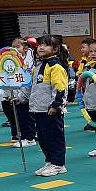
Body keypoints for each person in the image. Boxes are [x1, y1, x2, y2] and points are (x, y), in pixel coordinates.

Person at [30, 35, 70, 177]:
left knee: (54, 136)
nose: (41, 47)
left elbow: (60, 88)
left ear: (55, 49)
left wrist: (55, 105)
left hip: (50, 110)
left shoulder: (55, 66)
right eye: (40, 44)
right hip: (39, 108)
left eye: (46, 45)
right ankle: (50, 161)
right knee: (43, 137)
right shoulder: (39, 65)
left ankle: (59, 164)